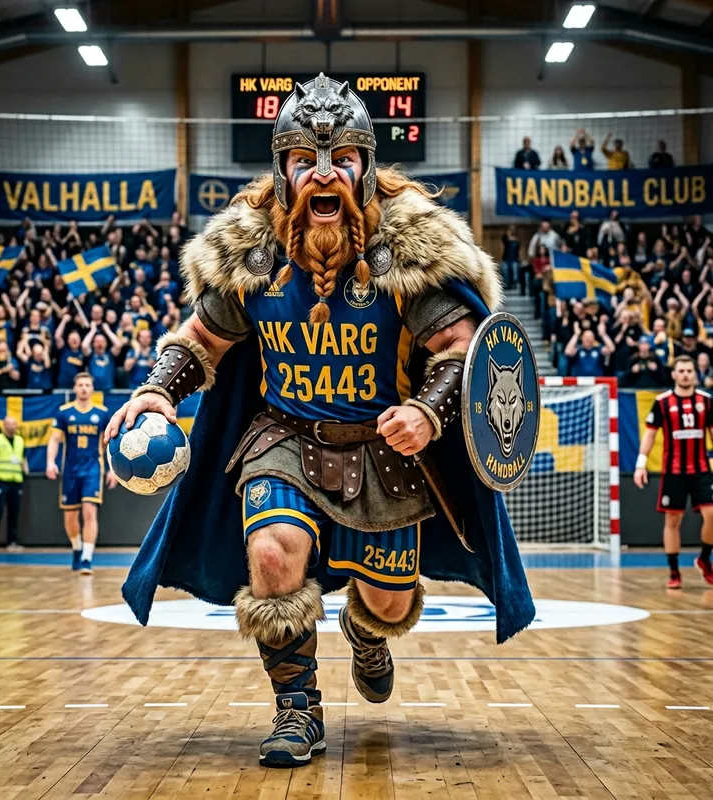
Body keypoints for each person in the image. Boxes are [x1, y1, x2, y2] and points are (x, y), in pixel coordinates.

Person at [105, 74, 534, 768]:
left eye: (342, 158)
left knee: (388, 603)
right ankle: (297, 709)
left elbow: (463, 348)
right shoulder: (252, 253)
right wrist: (158, 392)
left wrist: (427, 413)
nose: (324, 174)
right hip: (283, 439)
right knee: (272, 555)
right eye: (305, 159)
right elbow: (200, 340)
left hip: (384, 448)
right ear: (283, 170)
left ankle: (367, 634)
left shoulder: (405, 252)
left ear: (366, 167)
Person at [635, 356, 713, 588]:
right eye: (682, 371)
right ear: (674, 374)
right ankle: (674, 571)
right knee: (673, 519)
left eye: (689, 370)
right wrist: (641, 464)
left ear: (694, 374)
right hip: (673, 471)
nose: (686, 374)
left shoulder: (706, 401)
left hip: (701, 469)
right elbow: (650, 434)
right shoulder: (662, 402)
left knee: (712, 514)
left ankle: (704, 558)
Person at [46, 373, 115, 574]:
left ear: (92, 388)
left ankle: (86, 557)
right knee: (70, 516)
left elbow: (111, 444)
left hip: (93, 468)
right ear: (75, 388)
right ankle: (77, 547)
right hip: (70, 470)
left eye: (87, 385)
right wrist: (50, 462)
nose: (84, 388)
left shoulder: (102, 413)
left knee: (89, 510)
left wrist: (113, 470)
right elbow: (54, 439)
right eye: (80, 385)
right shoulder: (64, 412)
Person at [0, 416, 27, 549]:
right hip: (1, 479)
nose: (12, 427)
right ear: (4, 425)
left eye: (14, 424)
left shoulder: (20, 440)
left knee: (14, 512)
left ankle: (12, 541)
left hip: (16, 480)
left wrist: (25, 471)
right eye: (9, 424)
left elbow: (23, 458)